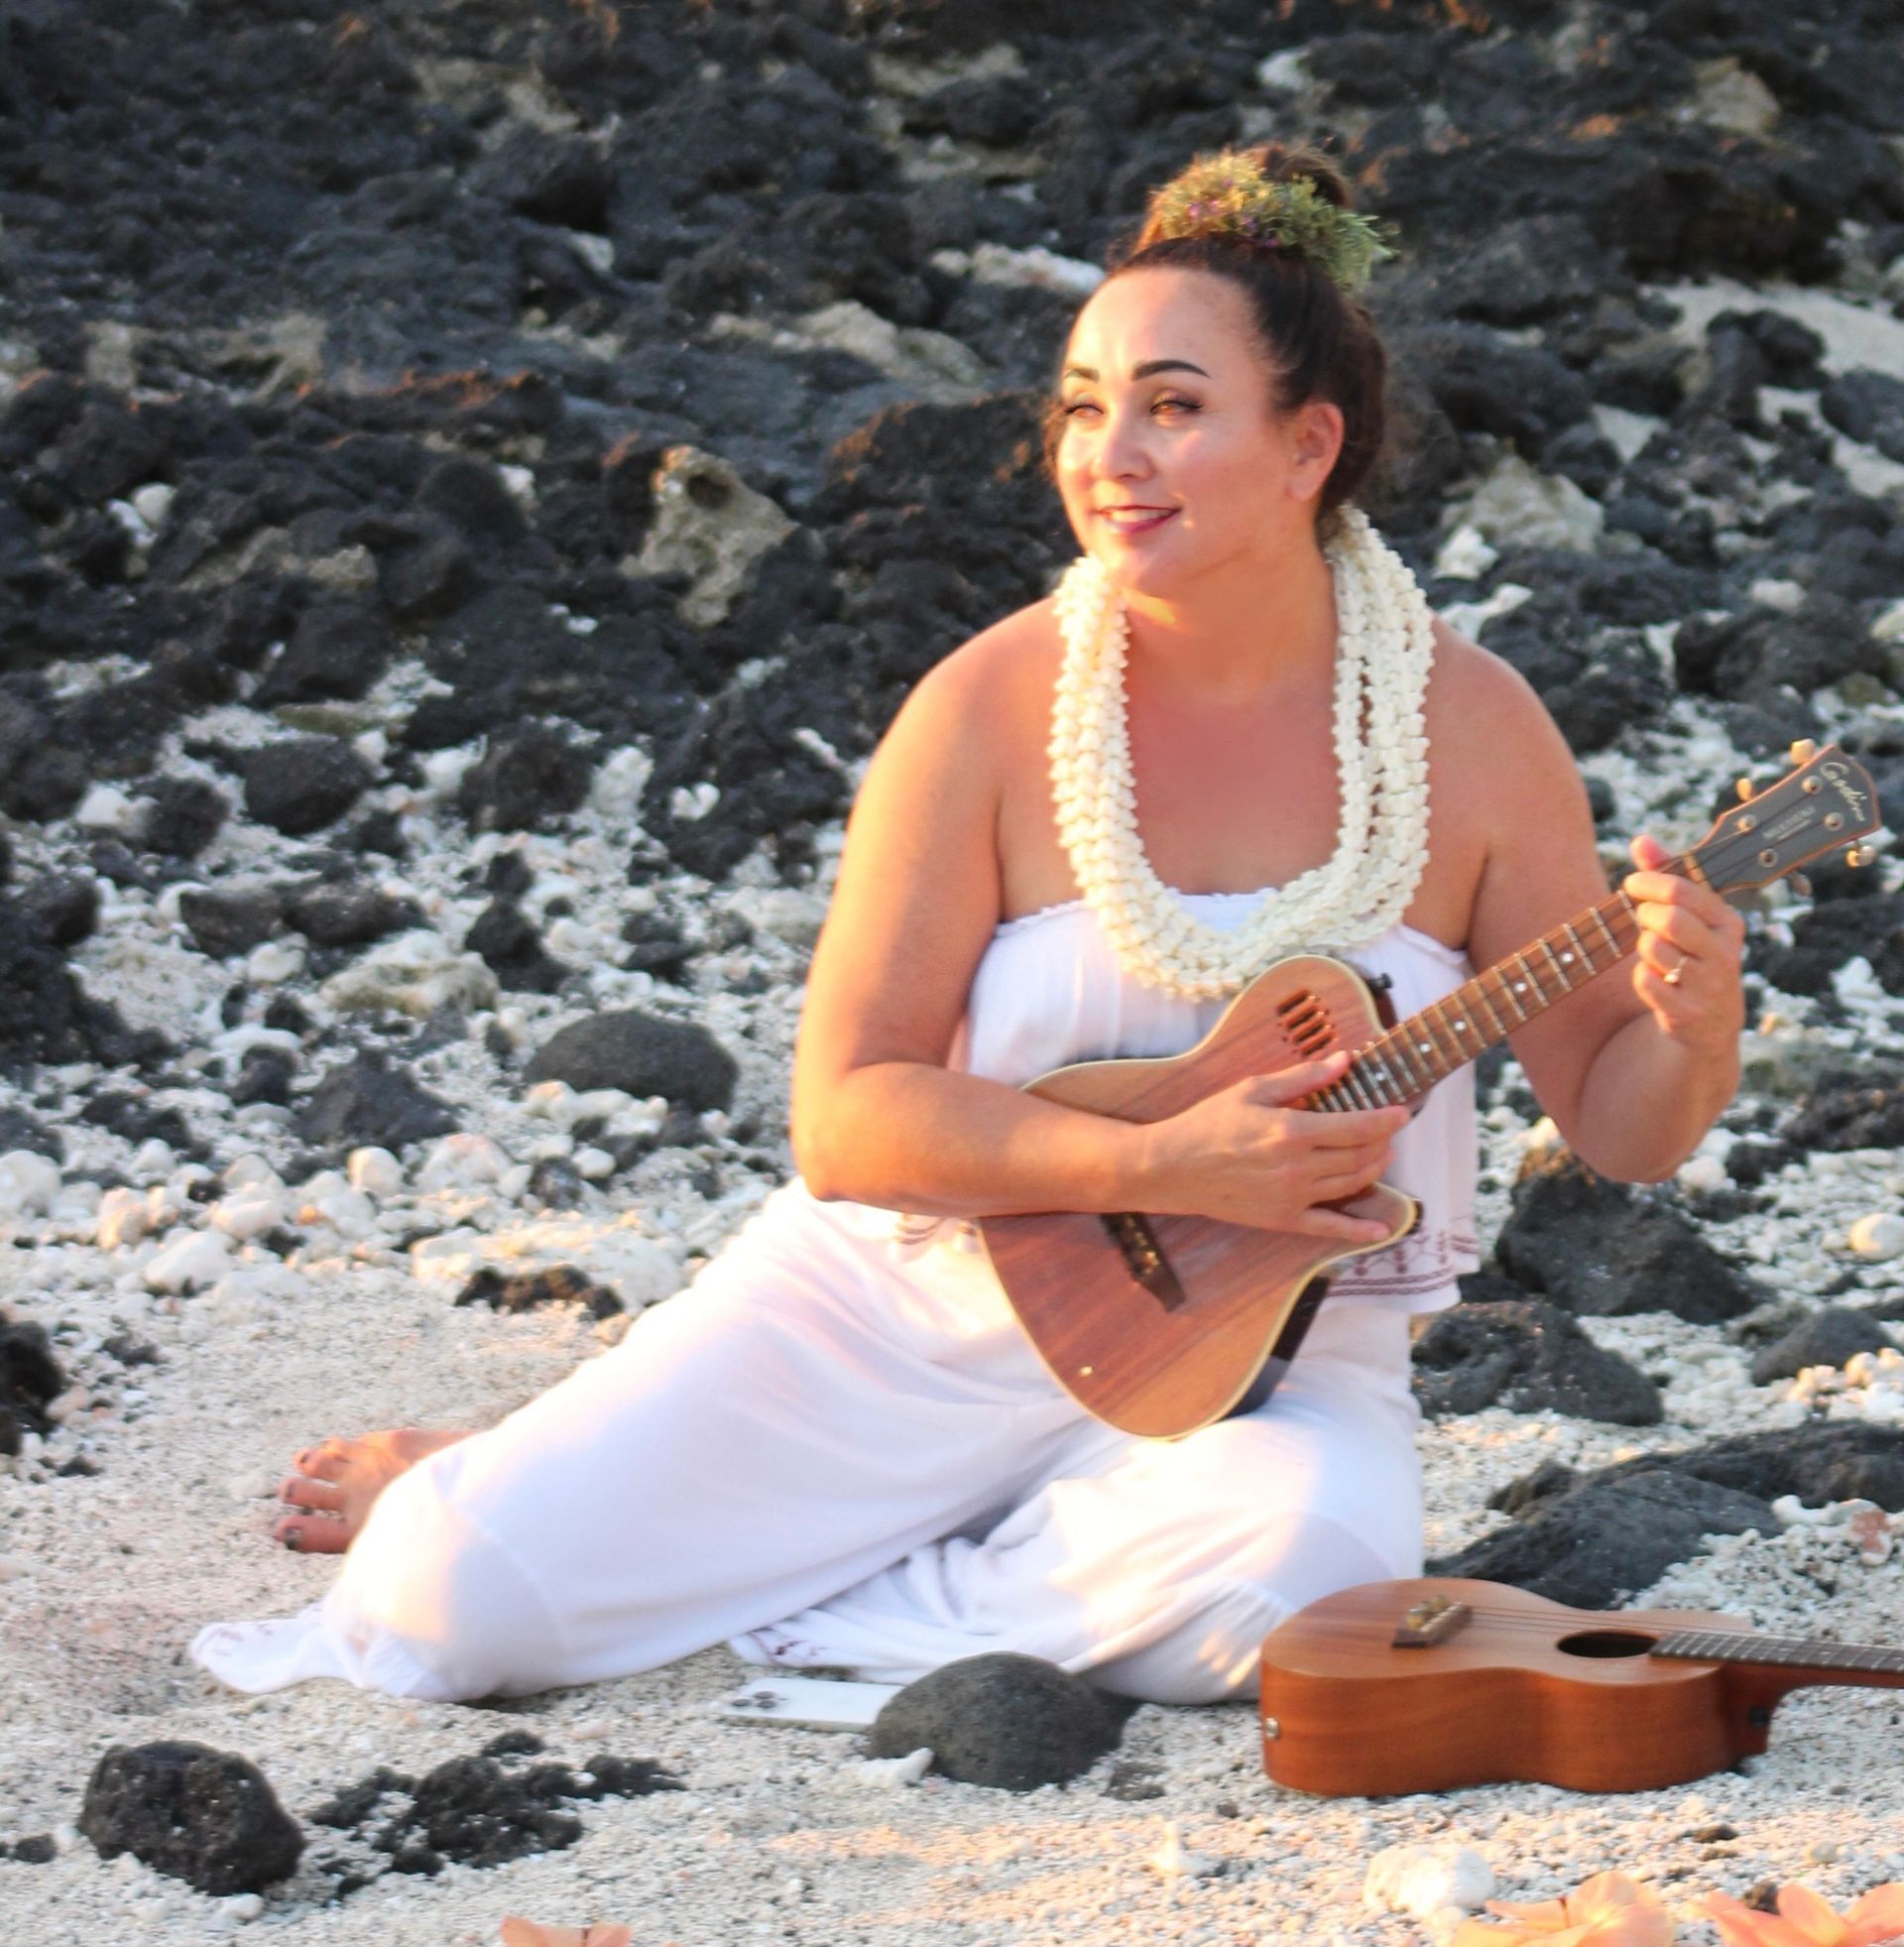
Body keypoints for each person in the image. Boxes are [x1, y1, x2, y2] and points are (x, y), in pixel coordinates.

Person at [190, 143, 1744, 1706]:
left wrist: (1693, 1017)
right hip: (900, 1322)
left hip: (1260, 1381)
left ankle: (801, 1551)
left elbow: (1622, 1126)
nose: (1109, 454)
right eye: (1084, 403)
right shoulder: (993, 706)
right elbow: (847, 1119)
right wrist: (1152, 1164)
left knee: (1296, 1590)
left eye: (1176, 405)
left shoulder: (1467, 731)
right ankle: (614, 1490)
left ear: (1307, 445)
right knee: (456, 1603)